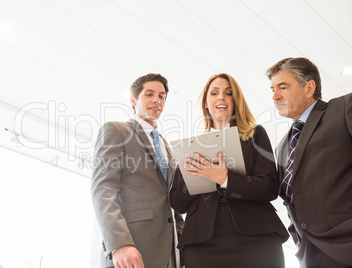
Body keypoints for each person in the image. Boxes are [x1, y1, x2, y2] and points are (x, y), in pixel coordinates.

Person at [170, 73, 289, 267]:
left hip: (255, 237)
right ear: (206, 103)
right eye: (214, 93)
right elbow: (179, 203)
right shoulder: (190, 147)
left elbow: (270, 186)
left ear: (236, 101)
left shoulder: (255, 135)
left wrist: (226, 179)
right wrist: (193, 172)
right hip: (201, 242)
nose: (221, 98)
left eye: (228, 93)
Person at [91, 73, 184, 268]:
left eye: (161, 96)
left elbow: (171, 202)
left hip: (169, 255)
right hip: (130, 251)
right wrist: (119, 243)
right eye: (149, 94)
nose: (156, 100)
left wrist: (183, 248)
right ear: (133, 100)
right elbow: (103, 189)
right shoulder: (117, 130)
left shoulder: (168, 147)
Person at [266, 57, 352, 267]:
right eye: (272, 89)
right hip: (309, 253)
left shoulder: (343, 108)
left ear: (309, 87)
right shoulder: (281, 147)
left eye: (282, 87)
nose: (275, 96)